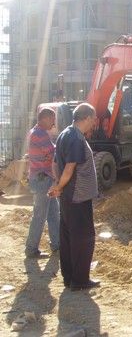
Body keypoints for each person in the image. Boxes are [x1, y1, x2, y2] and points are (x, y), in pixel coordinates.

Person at [48, 103, 100, 291]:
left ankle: (69, 277)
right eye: (93, 118)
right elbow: (70, 168)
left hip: (68, 196)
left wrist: (58, 186)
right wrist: (60, 186)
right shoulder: (77, 139)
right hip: (78, 197)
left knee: (68, 236)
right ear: (86, 118)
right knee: (84, 238)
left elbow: (55, 164)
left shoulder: (64, 134)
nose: (94, 122)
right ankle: (79, 280)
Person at [25, 108, 60, 258]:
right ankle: (31, 249)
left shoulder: (34, 132)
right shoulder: (40, 134)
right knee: (40, 215)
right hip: (43, 179)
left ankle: (57, 245)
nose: (54, 123)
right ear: (45, 118)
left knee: (53, 213)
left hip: (41, 178)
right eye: (53, 119)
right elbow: (52, 154)